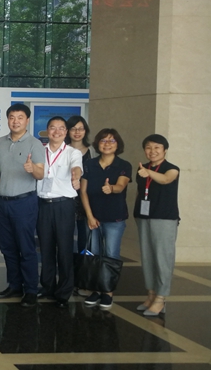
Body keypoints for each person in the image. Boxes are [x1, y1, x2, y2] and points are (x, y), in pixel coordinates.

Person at [0, 104, 45, 308]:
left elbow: (41, 174)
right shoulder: (0, 142)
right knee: (7, 247)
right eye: (12, 117)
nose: (16, 121)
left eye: (20, 117)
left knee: (26, 247)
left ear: (27, 120)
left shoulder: (35, 144)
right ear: (7, 120)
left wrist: (33, 169)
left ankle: (31, 289)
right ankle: (14, 285)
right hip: (1, 201)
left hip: (24, 202)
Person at [80, 128, 131, 309]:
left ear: (118, 145)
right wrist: (89, 216)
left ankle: (107, 292)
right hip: (93, 218)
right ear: (97, 144)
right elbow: (83, 191)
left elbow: (121, 186)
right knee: (93, 254)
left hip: (114, 219)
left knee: (110, 254)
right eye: (103, 140)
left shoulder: (123, 165)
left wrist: (112, 188)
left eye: (111, 141)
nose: (107, 144)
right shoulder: (89, 164)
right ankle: (95, 290)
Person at [36, 116, 82, 308]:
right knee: (45, 248)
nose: (57, 132)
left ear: (66, 132)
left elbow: (77, 168)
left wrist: (76, 176)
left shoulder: (73, 152)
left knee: (64, 249)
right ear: (47, 131)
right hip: (43, 205)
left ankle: (64, 292)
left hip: (64, 205)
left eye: (61, 128)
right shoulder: (39, 151)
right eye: (53, 128)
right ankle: (47, 287)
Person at [135, 134, 180, 317]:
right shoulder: (142, 169)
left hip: (164, 219)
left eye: (157, 147)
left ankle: (161, 298)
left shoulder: (172, 169)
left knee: (163, 259)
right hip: (144, 217)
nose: (152, 151)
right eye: (148, 147)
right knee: (147, 258)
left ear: (165, 150)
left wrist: (149, 173)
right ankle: (151, 295)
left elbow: (166, 179)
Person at [66, 115, 97, 259]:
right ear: (68, 131)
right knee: (66, 236)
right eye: (73, 129)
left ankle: (83, 266)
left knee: (85, 236)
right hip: (67, 199)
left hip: (87, 199)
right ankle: (68, 265)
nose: (77, 132)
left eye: (81, 129)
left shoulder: (93, 151)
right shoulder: (63, 150)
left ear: (86, 131)